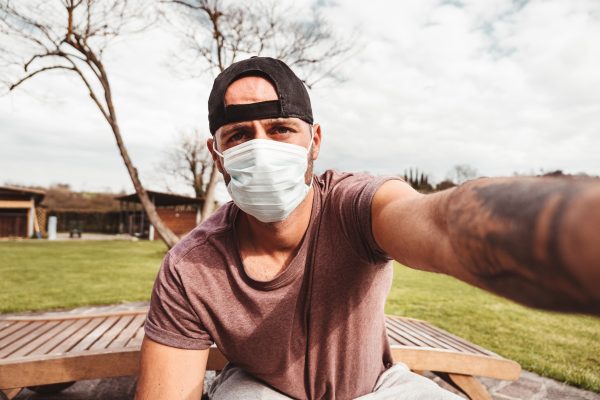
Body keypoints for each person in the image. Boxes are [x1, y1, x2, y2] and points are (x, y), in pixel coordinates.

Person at [135, 57, 600, 400]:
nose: (261, 150)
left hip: (378, 387)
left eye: (280, 129)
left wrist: (568, 227)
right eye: (238, 136)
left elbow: (440, 223)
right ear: (216, 154)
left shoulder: (353, 206)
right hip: (256, 387)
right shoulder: (190, 268)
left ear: (314, 140)